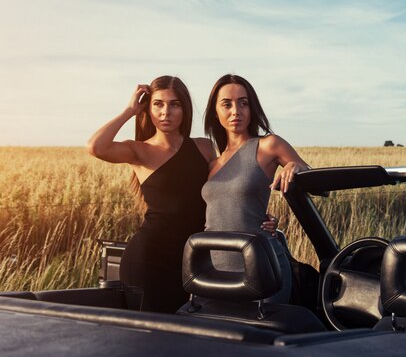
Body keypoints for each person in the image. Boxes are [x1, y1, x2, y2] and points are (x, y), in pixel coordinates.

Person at [86, 76, 276, 313]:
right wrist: (130, 110)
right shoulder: (140, 151)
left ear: (185, 109)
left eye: (174, 104)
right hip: (149, 259)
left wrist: (259, 214)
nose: (166, 112)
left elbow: (225, 191)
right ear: (148, 108)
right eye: (158, 104)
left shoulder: (204, 147)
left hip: (194, 259)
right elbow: (96, 146)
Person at [202, 74, 309, 303]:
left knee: (264, 335)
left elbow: (317, 183)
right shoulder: (212, 163)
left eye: (243, 103)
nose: (235, 111)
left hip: (260, 266)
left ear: (252, 108)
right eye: (227, 104)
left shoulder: (268, 145)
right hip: (215, 267)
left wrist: (295, 166)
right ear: (215, 111)